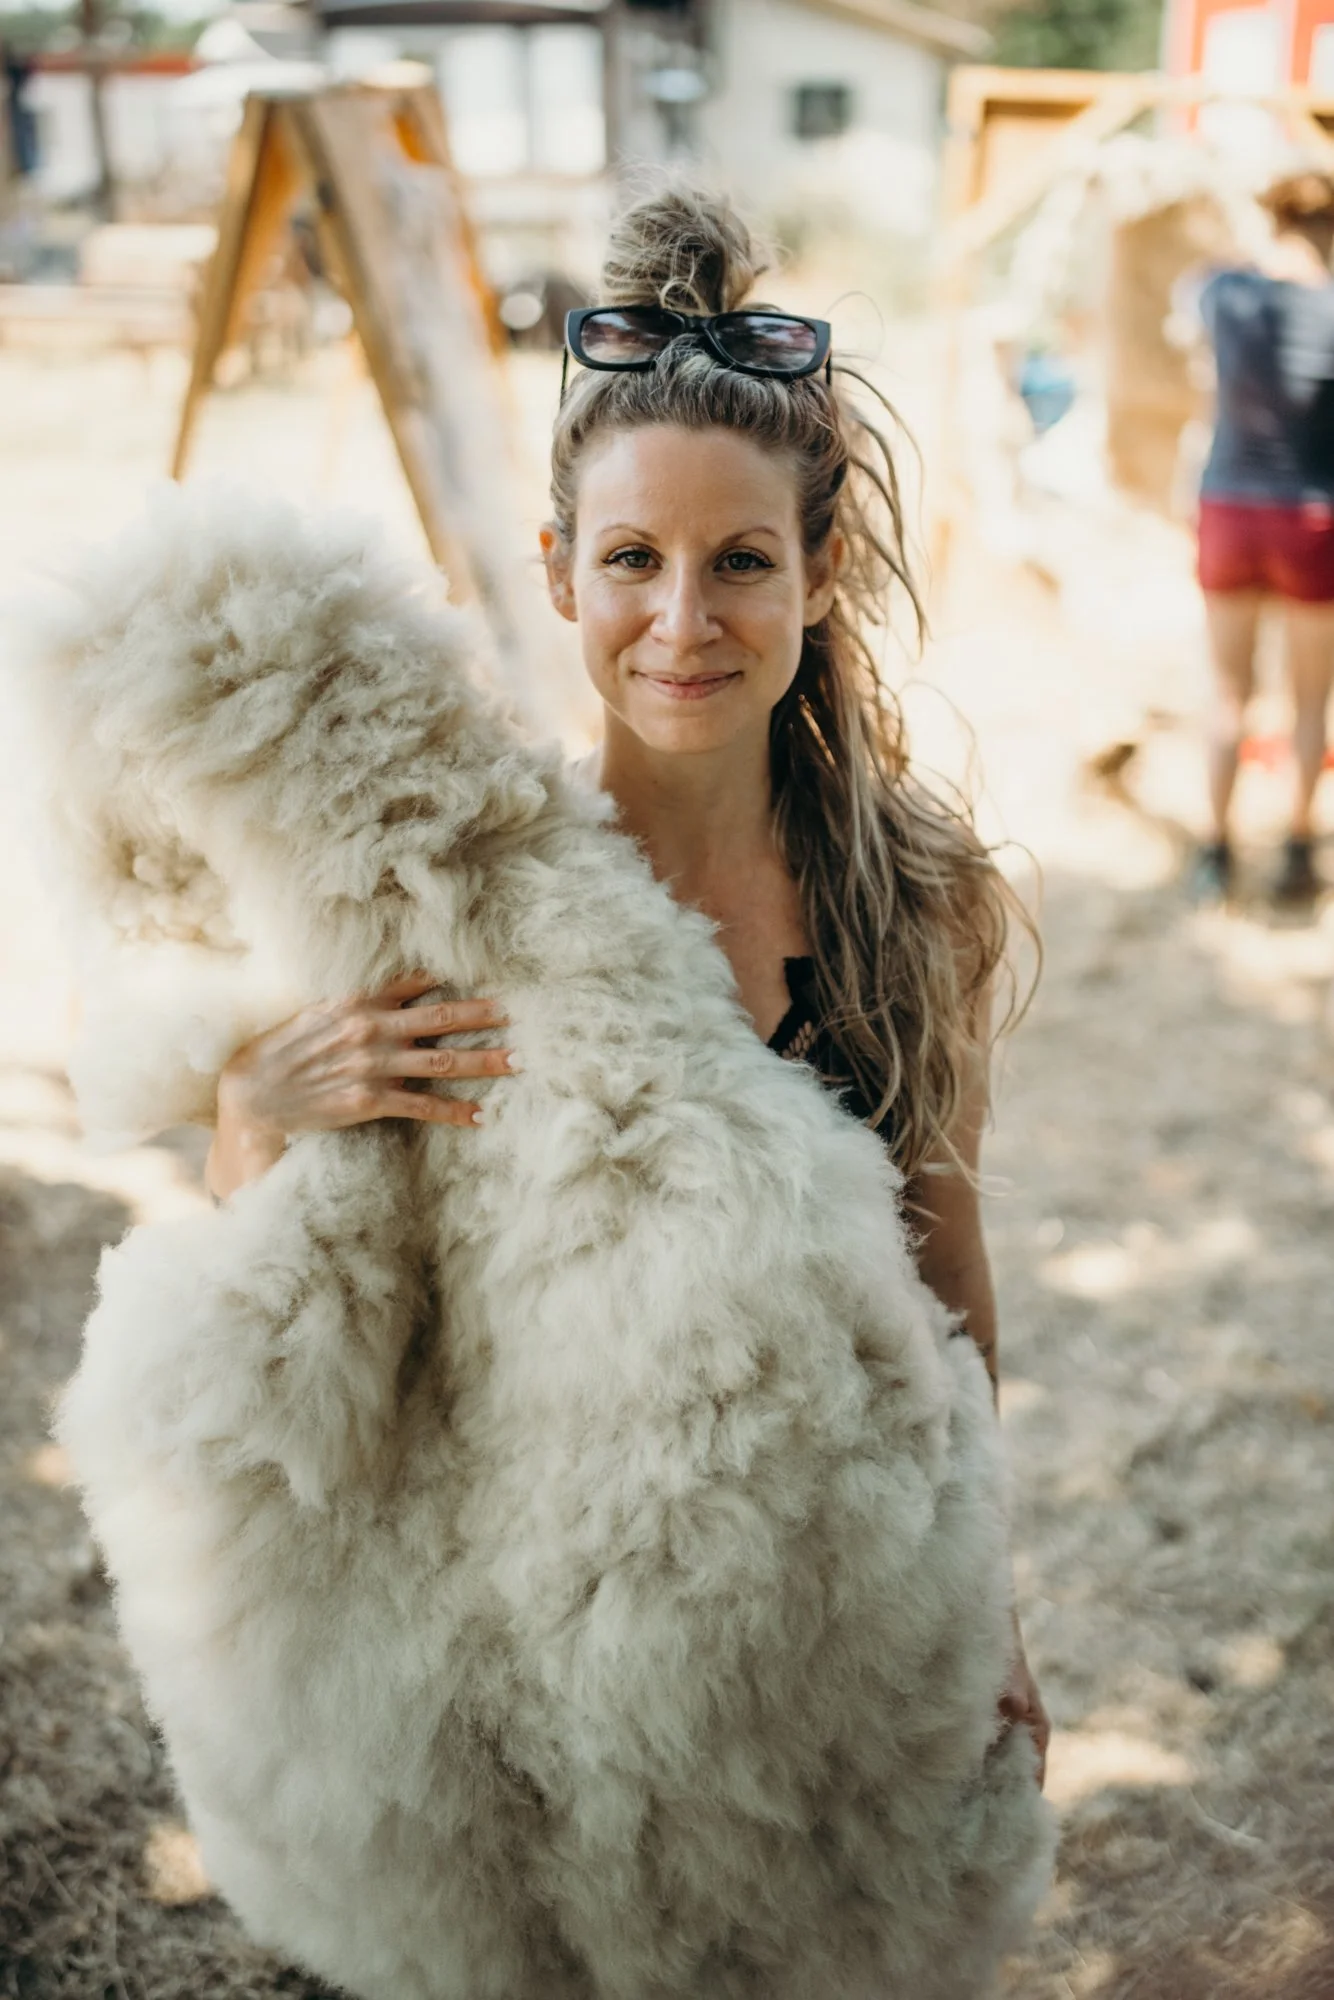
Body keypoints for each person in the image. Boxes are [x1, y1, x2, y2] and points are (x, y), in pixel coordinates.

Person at [205, 185, 1050, 1784]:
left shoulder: (916, 904)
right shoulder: (459, 896)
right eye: (630, 559)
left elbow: (945, 1283)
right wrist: (251, 1112)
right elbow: (318, 1295)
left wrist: (984, 1604)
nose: (681, 621)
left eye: (739, 561)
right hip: (539, 1646)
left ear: (820, 570)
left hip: (832, 1626)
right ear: (557, 574)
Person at [1191, 169, 1334, 904]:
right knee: (1310, 701)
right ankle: (1298, 850)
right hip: (1310, 516)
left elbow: (1202, 277)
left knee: (1228, 692)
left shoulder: (1224, 293)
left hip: (1228, 508)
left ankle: (1215, 853)